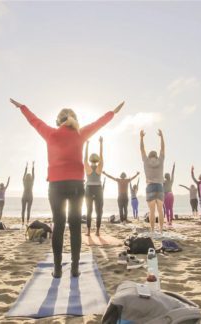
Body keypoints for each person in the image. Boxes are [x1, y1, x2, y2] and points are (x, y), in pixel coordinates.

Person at [10, 98, 124, 278]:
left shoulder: (50, 133)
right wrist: (113, 112)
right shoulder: (81, 134)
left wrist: (22, 107)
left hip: (56, 185)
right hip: (77, 185)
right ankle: (75, 268)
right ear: (74, 120)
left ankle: (57, 269)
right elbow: (99, 123)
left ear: (58, 121)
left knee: (59, 226)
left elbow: (34, 120)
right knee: (75, 227)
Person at [140, 129, 165, 235]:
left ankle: (152, 231)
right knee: (160, 210)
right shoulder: (160, 160)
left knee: (151, 211)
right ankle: (161, 230)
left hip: (150, 187)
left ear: (149, 156)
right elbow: (162, 148)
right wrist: (161, 137)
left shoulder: (146, 161)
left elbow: (142, 149)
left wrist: (141, 137)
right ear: (156, 155)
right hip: (159, 187)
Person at [84, 137, 104, 236]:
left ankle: (88, 231)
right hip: (98, 190)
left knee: (89, 210)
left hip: (89, 189)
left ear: (90, 160)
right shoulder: (99, 167)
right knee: (99, 210)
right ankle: (97, 231)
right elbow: (101, 156)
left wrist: (87, 145)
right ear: (97, 160)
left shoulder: (87, 167)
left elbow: (84, 158)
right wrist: (101, 143)